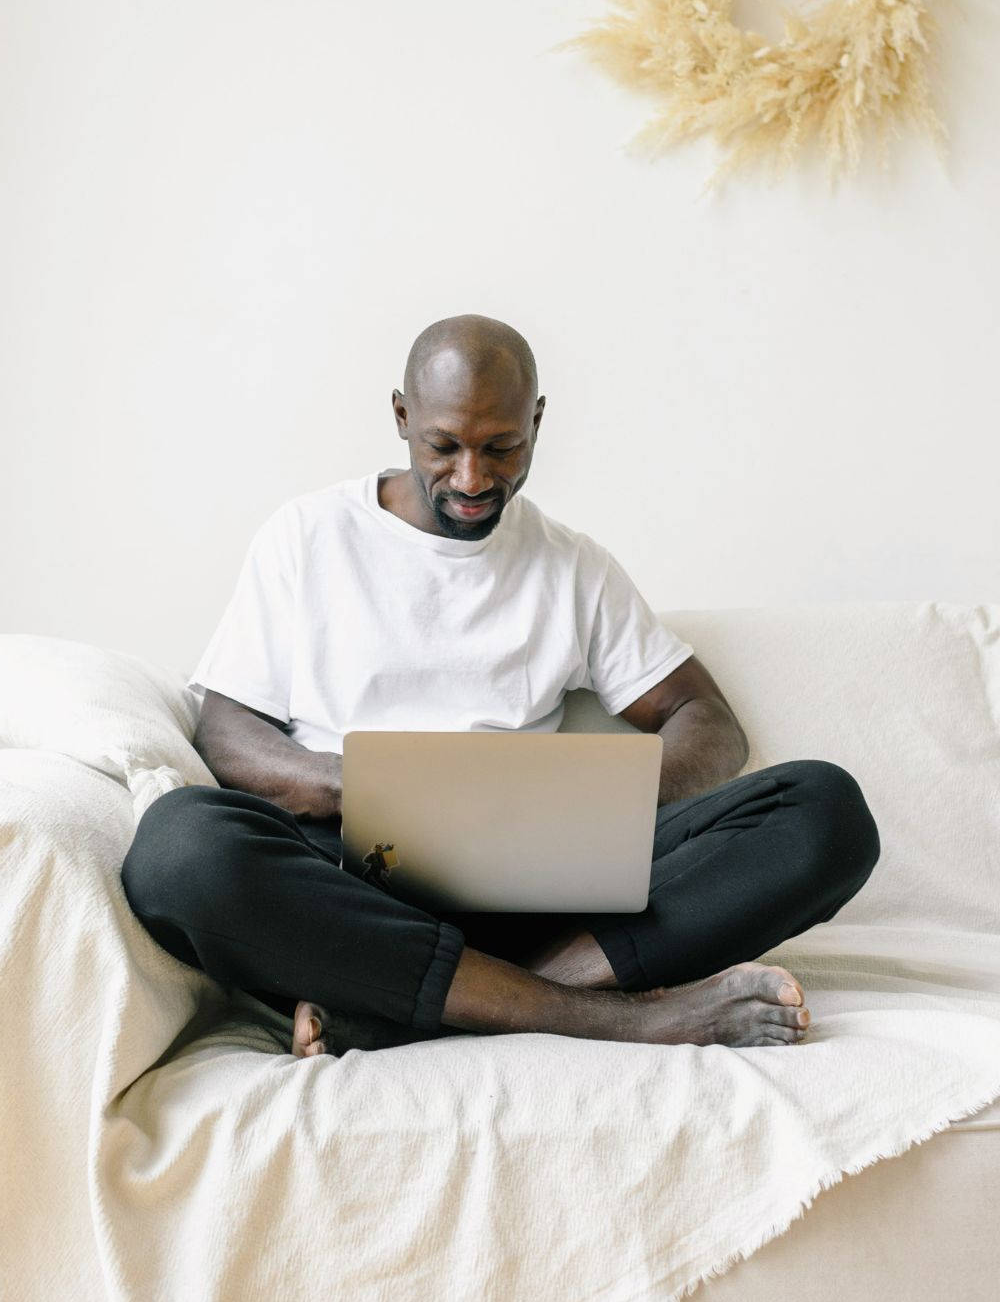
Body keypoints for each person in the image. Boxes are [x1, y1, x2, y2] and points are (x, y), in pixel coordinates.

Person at [121, 314, 880, 1058]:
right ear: (400, 416)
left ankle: (445, 1009)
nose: (473, 478)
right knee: (178, 849)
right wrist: (373, 789)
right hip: (352, 880)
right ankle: (616, 1019)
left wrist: (590, 800)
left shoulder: (571, 566)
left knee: (823, 811)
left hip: (534, 887)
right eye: (443, 446)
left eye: (502, 447)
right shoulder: (307, 537)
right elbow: (225, 731)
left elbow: (706, 721)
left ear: (538, 422)